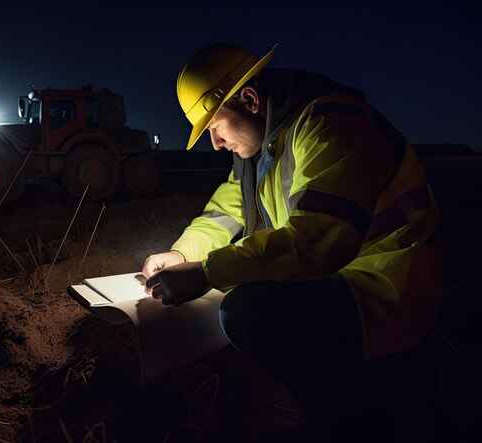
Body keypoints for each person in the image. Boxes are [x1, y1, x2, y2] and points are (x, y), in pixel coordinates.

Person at [141, 43, 441, 441]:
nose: (213, 143)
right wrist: (180, 254)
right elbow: (222, 216)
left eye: (215, 126)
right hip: (339, 277)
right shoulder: (260, 152)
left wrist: (209, 271)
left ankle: (353, 419)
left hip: (386, 289)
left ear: (249, 99)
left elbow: (318, 240)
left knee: (247, 310)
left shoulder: (332, 125)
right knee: (247, 295)